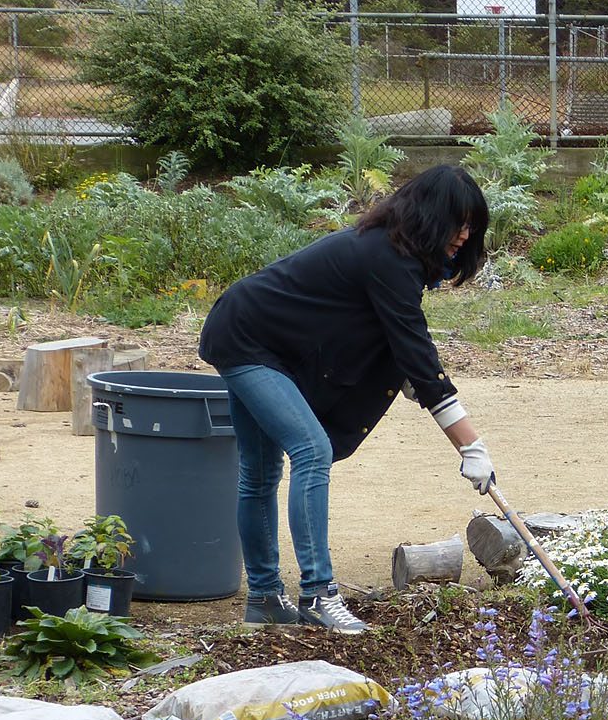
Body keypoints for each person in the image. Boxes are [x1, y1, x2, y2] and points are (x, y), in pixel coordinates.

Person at [198, 164, 496, 635]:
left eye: (471, 227)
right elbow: (418, 351)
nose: (464, 235)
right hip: (246, 337)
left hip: (264, 338)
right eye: (458, 223)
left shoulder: (391, 252)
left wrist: (409, 376)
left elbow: (385, 335)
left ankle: (265, 602)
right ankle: (317, 593)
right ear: (431, 215)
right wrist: (470, 445)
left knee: (262, 471)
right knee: (309, 451)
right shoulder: (386, 256)